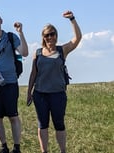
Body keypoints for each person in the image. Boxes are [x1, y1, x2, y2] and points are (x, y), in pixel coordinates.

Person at [27, 11, 82, 153]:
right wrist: (29, 92)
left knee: (59, 124)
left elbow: (77, 38)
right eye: (47, 35)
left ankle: (63, 150)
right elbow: (33, 74)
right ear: (43, 37)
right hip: (40, 94)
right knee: (42, 125)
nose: (50, 37)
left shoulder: (62, 50)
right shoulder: (37, 53)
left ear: (56, 36)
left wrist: (72, 19)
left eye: (52, 34)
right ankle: (44, 151)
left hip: (58, 94)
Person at [0, 12, 29, 153]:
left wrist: (20, 33)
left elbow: (25, 52)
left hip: (10, 82)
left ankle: (16, 147)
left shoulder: (10, 37)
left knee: (13, 116)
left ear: (1, 21)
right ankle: (3, 146)